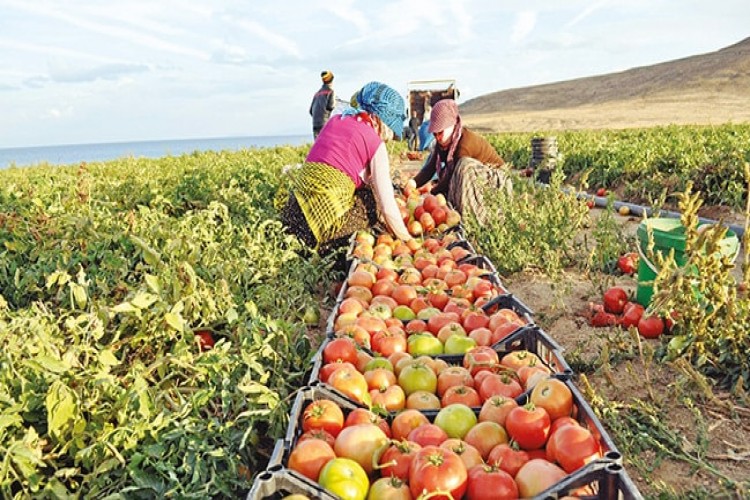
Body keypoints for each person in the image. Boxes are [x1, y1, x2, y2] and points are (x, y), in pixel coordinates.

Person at [282, 81, 412, 254]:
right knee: (372, 199)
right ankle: (330, 246)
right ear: (382, 120)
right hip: (323, 228)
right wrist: (408, 241)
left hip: (294, 215)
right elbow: (387, 206)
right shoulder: (374, 142)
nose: (389, 138)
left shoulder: (336, 120)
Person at [411, 98, 511, 223]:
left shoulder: (465, 143)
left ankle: (476, 219)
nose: (437, 137)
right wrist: (412, 184)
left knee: (463, 165)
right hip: (474, 178)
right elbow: (430, 168)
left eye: (440, 132)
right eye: (435, 134)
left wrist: (431, 195)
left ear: (452, 125)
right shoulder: (443, 142)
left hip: (494, 180)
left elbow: (452, 176)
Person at [309, 70, 335, 139]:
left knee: (317, 145)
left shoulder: (316, 94)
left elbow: (311, 111)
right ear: (331, 80)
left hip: (315, 124)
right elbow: (331, 106)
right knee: (326, 145)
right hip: (324, 124)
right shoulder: (330, 91)